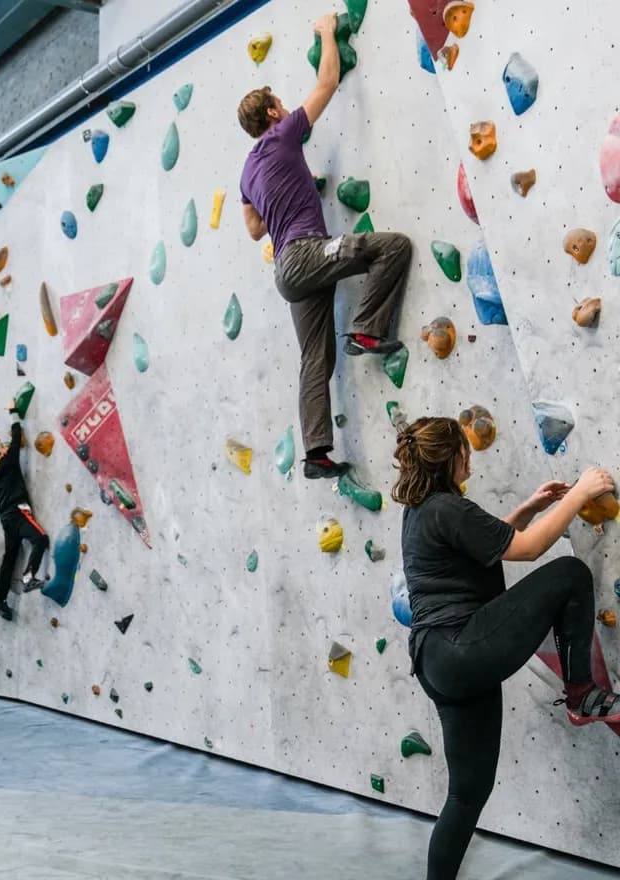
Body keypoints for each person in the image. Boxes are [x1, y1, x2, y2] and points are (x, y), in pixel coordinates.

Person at [393, 416, 620, 880]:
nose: (469, 456)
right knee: (569, 575)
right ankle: (581, 694)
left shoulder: (422, 510)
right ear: (450, 457)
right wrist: (579, 494)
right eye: (463, 449)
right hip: (461, 647)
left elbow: (491, 542)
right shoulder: (446, 508)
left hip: (438, 663)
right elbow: (530, 550)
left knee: (466, 794)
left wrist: (530, 508)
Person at [237, 12, 412, 480]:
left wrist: (295, 187)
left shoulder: (248, 171)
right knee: (392, 246)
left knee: (315, 357)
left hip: (287, 275)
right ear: (273, 112)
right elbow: (328, 80)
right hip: (306, 254)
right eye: (279, 101)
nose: (285, 104)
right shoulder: (284, 133)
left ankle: (316, 453)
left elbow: (255, 229)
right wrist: (327, 32)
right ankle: (366, 330)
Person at [0, 403, 50, 622]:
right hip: (18, 513)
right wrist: (12, 411)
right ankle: (29, 577)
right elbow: (17, 434)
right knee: (41, 539)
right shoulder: (8, 462)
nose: (6, 447)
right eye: (2, 447)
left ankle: (0, 600)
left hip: (7, 519)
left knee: (10, 560)